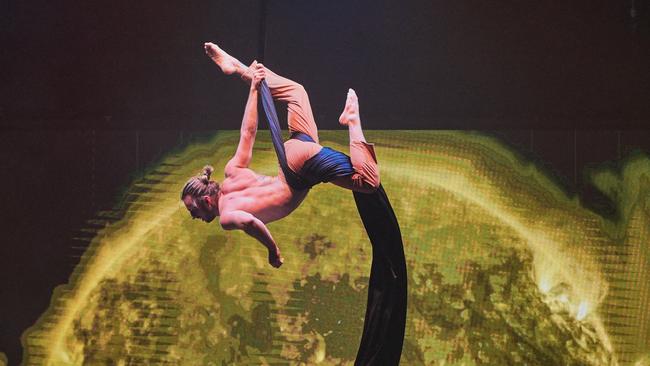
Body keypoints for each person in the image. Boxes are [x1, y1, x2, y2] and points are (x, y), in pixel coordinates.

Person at [181, 42, 380, 268]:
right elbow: (248, 133)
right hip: (291, 156)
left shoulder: (226, 216)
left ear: (206, 200)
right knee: (297, 93)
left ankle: (352, 120)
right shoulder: (231, 172)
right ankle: (240, 69)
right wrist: (254, 88)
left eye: (193, 210)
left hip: (298, 172)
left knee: (368, 182)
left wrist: (272, 250)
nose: (194, 216)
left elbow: (249, 222)